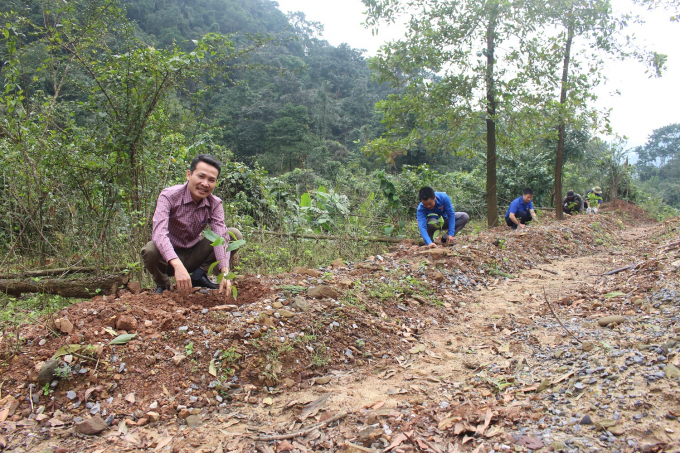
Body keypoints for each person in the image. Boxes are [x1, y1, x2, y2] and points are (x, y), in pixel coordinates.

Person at [141, 154, 242, 294]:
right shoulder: (169, 196)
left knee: (233, 235)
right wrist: (177, 265)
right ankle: (163, 285)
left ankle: (199, 275)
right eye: (201, 176)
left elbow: (220, 236)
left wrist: (225, 272)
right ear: (189, 175)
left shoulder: (215, 203)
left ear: (215, 183)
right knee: (150, 249)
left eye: (211, 180)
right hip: (169, 258)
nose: (205, 184)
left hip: (194, 254)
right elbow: (159, 234)